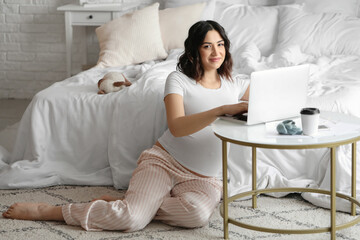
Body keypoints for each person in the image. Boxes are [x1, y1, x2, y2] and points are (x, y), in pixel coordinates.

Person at [2, 20, 249, 231]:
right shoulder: (178, 80)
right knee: (131, 219)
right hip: (165, 163)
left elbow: (269, 101)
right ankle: (50, 211)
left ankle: (132, 202)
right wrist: (221, 110)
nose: (216, 51)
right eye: (207, 45)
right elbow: (177, 126)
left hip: (205, 178)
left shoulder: (234, 83)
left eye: (220, 44)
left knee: (196, 216)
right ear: (195, 50)